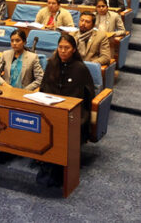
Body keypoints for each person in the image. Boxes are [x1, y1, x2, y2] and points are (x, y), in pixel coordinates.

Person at [36, 33, 96, 187]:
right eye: (60, 47)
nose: (63, 51)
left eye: (67, 48)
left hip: (74, 113)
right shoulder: (51, 64)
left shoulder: (80, 68)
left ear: (74, 50)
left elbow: (88, 96)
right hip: (51, 109)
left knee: (62, 129)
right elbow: (44, 88)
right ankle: (45, 160)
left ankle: (57, 167)